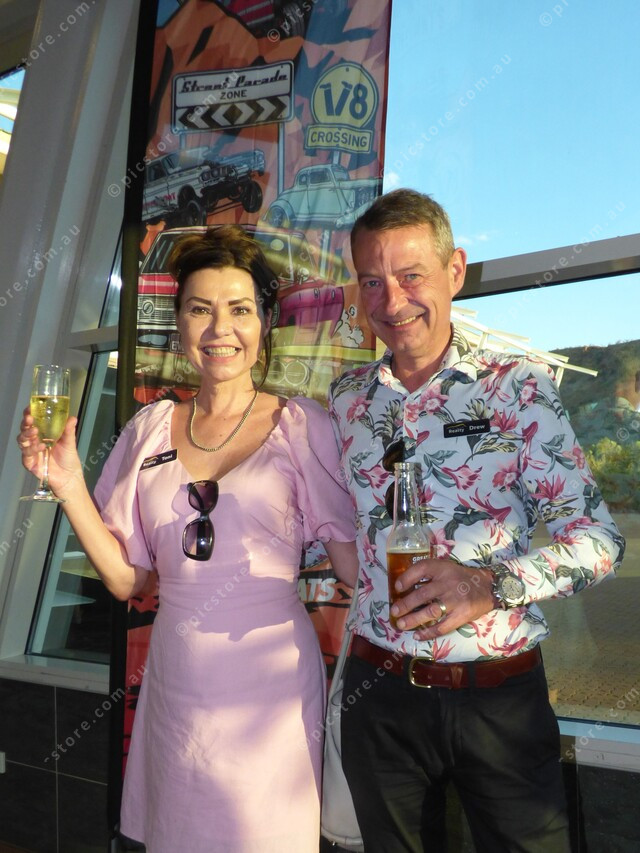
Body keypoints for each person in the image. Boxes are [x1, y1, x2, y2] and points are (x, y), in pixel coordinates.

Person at [18, 225, 359, 853]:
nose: (220, 328)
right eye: (200, 310)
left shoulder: (300, 427)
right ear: (178, 325)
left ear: (264, 324)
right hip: (177, 680)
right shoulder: (149, 428)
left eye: (239, 309)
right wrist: (67, 485)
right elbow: (128, 579)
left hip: (270, 685)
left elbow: (354, 570)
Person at [328, 189, 625, 853]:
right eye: (372, 281)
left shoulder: (516, 388)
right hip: (378, 695)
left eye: (411, 275)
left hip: (498, 698)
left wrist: (487, 584)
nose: (392, 301)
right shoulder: (346, 401)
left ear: (455, 270)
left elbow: (600, 542)